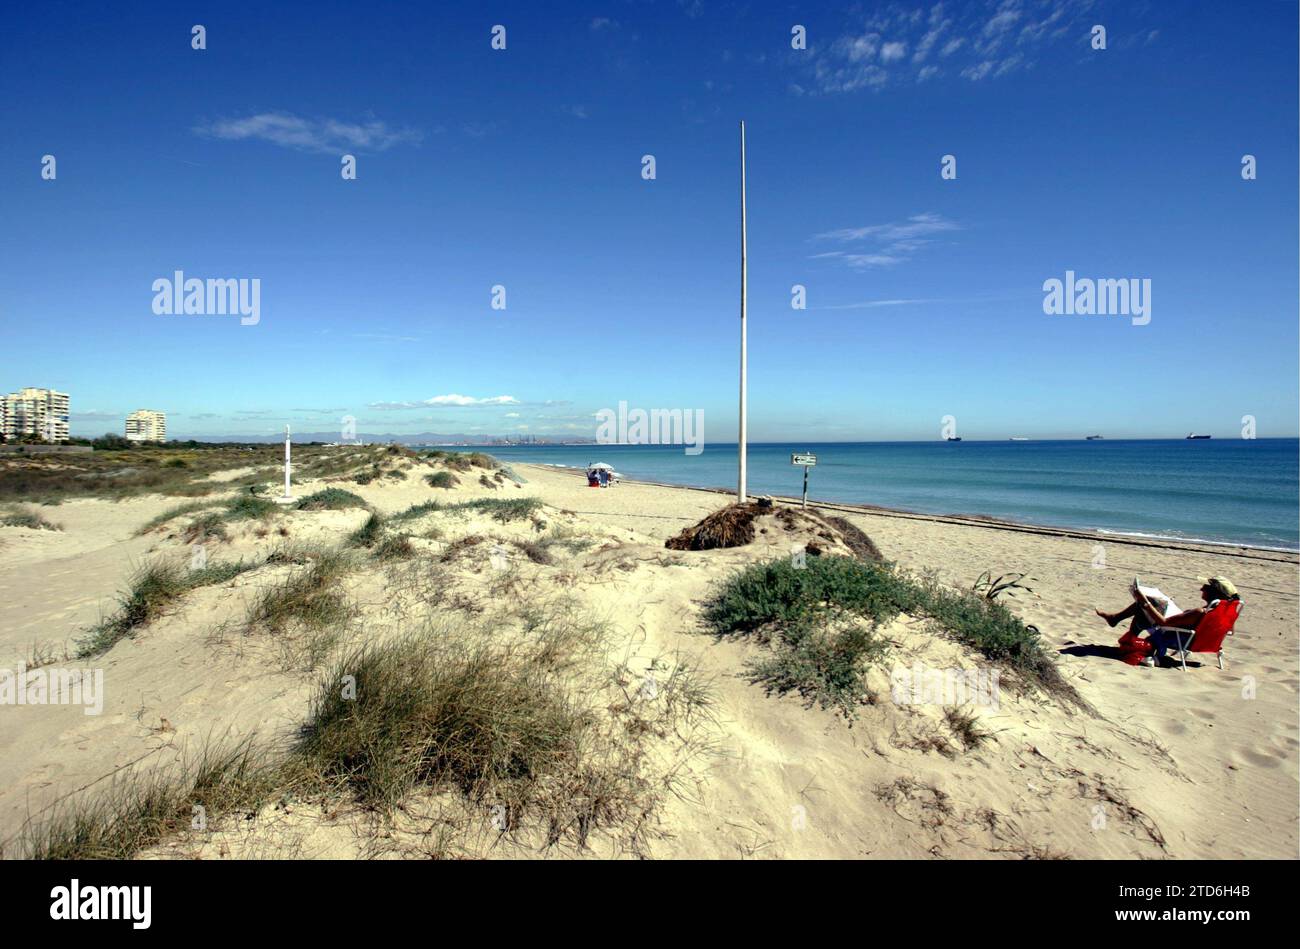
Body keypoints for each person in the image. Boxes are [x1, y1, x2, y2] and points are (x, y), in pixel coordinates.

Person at [1096, 576, 1239, 666]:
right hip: (1201, 641)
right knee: (1157, 604)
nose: (1201, 588)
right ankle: (1115, 620)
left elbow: (1164, 623)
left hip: (1177, 639)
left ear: (1214, 593)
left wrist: (1145, 602)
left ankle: (1126, 641)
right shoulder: (1222, 613)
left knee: (1142, 608)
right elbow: (1230, 631)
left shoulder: (1199, 612)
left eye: (1206, 587)